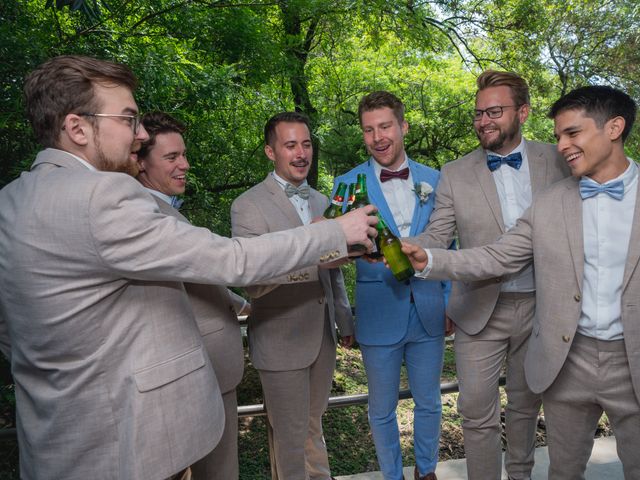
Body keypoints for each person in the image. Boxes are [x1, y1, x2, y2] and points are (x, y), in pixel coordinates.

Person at [0, 55, 378, 480]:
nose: (140, 134)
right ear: (76, 128)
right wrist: (333, 232)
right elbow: (232, 260)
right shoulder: (102, 196)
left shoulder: (10, 199)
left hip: (53, 439)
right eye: (128, 118)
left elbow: (11, 330)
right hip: (122, 441)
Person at [403, 85, 640, 480]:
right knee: (559, 467)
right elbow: (494, 254)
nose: (562, 145)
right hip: (557, 351)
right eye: (560, 135)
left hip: (612, 350)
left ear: (614, 128)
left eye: (572, 133)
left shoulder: (552, 164)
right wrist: (426, 258)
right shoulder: (550, 201)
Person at [412, 70, 569, 480]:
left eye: (494, 111)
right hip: (479, 308)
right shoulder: (455, 171)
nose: (484, 121)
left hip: (542, 309)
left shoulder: (557, 158)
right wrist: (405, 248)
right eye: (478, 113)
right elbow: (438, 233)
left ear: (523, 112)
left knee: (524, 407)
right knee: (476, 412)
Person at [230, 112, 355, 480]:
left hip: (322, 336)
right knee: (288, 436)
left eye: (306, 144)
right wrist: (315, 251)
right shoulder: (247, 205)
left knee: (313, 427)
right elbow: (253, 281)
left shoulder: (322, 201)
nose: (301, 153)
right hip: (279, 337)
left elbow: (334, 272)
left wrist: (344, 319)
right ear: (271, 152)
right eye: (290, 145)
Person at [333, 91, 448, 480]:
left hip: (430, 308)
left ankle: (426, 471)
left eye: (385, 126)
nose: (377, 137)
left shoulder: (436, 179)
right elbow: (331, 247)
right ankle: (392, 475)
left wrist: (450, 301)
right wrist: (350, 249)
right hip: (378, 312)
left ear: (403, 127)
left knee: (430, 402)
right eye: (369, 130)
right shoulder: (348, 183)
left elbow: (452, 246)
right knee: (381, 407)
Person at [135, 111, 248, 480]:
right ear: (139, 161)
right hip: (196, 375)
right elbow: (230, 260)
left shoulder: (165, 210)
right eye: (171, 157)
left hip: (211, 374)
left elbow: (191, 282)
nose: (185, 164)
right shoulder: (147, 215)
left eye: (183, 154)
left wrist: (240, 303)